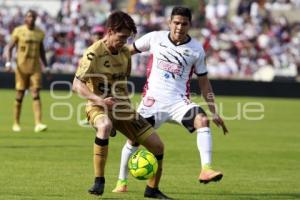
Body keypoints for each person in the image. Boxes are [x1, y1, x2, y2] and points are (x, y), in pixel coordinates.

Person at [112, 6, 228, 193]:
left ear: (190, 25)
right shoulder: (154, 38)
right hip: (152, 103)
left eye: (184, 24)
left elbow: (205, 84)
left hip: (178, 103)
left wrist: (214, 111)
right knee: (133, 141)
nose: (179, 27)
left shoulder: (196, 49)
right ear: (169, 22)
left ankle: (206, 169)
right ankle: (121, 182)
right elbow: (126, 52)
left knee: (202, 120)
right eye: (176, 22)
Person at [72, 11, 171, 199]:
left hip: (123, 108)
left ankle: (152, 190)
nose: (124, 42)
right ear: (110, 31)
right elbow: (76, 85)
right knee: (105, 125)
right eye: (121, 37)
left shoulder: (125, 53)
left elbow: (123, 80)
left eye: (127, 38)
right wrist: (99, 100)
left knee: (158, 146)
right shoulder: (93, 53)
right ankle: (99, 181)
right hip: (98, 106)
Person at [5, 9, 48, 133]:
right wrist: (8, 63)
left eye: (33, 16)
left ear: (36, 18)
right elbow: (9, 48)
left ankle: (38, 123)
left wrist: (47, 66)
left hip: (35, 67)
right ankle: (16, 123)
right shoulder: (18, 31)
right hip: (21, 67)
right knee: (20, 94)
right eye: (29, 16)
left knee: (36, 93)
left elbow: (42, 51)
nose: (31, 19)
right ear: (25, 18)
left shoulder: (40, 33)